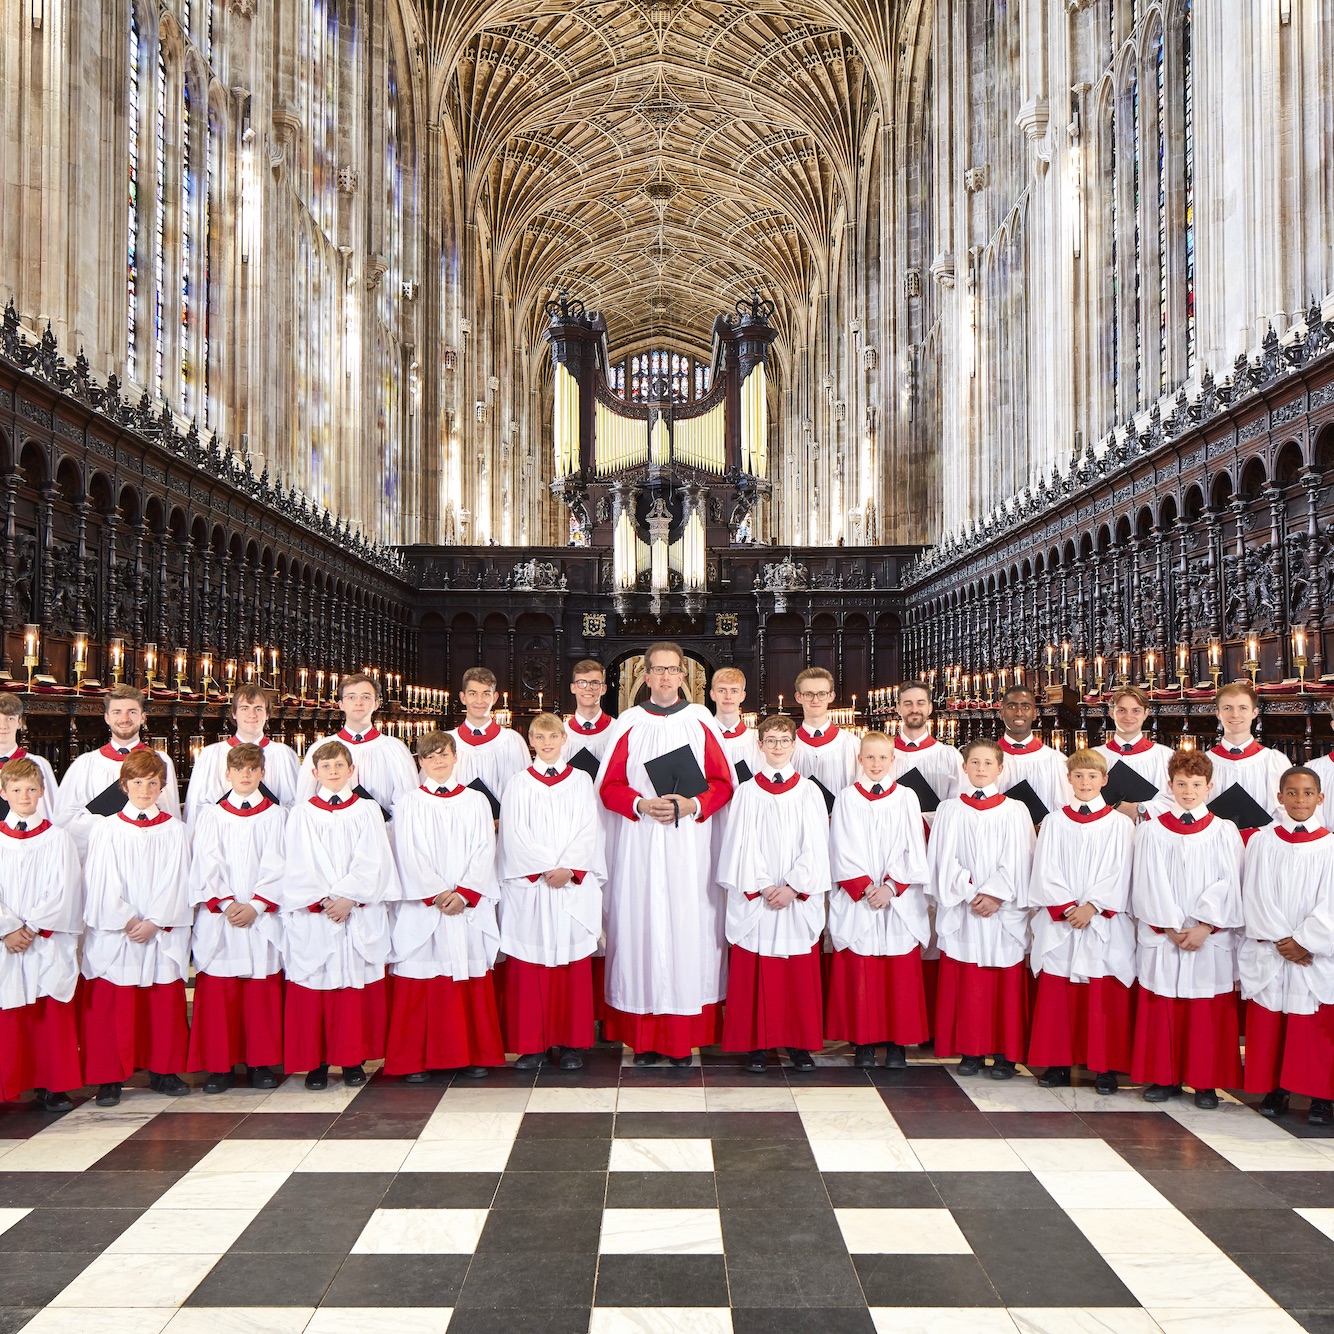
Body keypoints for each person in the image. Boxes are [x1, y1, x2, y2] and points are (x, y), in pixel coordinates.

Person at [598, 641, 734, 1065]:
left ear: (683, 676)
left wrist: (693, 804)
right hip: (640, 844)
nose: (664, 677)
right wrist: (640, 804)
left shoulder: (700, 722)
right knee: (642, 928)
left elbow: (723, 783)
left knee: (688, 927)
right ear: (644, 676)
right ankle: (645, 1038)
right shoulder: (630, 723)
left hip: (689, 846)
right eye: (656, 670)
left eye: (672, 670)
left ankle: (683, 1037)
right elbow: (609, 787)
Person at [282, 739, 401, 1089]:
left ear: (352, 770)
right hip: (317, 914)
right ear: (315, 773)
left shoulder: (366, 809)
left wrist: (348, 897)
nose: (333, 772)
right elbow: (299, 861)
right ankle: (317, 1063)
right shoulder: (302, 813)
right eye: (326, 767)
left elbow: (375, 858)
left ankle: (352, 1060)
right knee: (317, 986)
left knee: (352, 987)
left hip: (355, 912)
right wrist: (323, 900)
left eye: (339, 766)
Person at [386, 731, 503, 1082]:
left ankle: (472, 1054)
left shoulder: (475, 801)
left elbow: (486, 848)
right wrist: (437, 894)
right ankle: (415, 1060)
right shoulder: (408, 803)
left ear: (456, 757)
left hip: (466, 904)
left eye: (443, 754)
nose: (438, 761)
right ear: (420, 763)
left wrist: (465, 893)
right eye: (429, 756)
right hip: (428, 906)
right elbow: (407, 852)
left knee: (467, 971)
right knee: (422, 975)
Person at [1130, 749, 1244, 1108]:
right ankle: (1164, 1078)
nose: (1189, 791)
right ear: (1170, 786)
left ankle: (1205, 1082)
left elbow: (1231, 882)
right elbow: (1148, 881)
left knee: (1204, 1010)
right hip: (1166, 934)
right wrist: (1168, 925)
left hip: (1207, 937)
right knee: (1164, 1004)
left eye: (1196, 784)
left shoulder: (1224, 831)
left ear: (1209, 786)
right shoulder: (1151, 831)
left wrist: (1205, 926)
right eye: (1182, 784)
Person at [718, 713, 830, 1072]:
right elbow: (740, 845)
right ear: (760, 745)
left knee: (797, 973)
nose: (778, 746)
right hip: (760, 896)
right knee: (756, 968)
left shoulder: (809, 791)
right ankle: (756, 1045)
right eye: (771, 740)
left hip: (796, 898)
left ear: (794, 745)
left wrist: (794, 886)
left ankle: (799, 1044)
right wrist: (766, 885)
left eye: (784, 740)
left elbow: (816, 844)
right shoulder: (747, 792)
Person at [80, 749, 192, 1107]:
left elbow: (178, 879)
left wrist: (156, 921)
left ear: (162, 787)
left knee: (161, 1003)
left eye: (153, 782)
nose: (145, 789)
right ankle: (109, 1077)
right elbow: (100, 880)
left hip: (158, 931)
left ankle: (164, 1069)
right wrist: (128, 919)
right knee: (113, 1003)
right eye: (138, 782)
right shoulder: (107, 828)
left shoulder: (175, 830)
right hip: (120, 932)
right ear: (124, 785)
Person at [1022, 749, 1136, 1094]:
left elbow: (1123, 871)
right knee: (1059, 993)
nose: (1085, 782)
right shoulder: (1055, 821)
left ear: (1104, 780)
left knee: (1103, 993)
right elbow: (1045, 867)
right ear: (1068, 779)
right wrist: (1068, 906)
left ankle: (1105, 1067)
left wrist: (1093, 907)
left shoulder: (1120, 824)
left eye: (1092, 776)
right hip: (1063, 919)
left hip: (1102, 920)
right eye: (1078, 776)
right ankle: (1057, 1063)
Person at [497, 713, 605, 1070]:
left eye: (552, 736)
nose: (546, 743)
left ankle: (572, 1043)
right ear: (531, 741)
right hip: (533, 887)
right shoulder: (518, 783)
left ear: (564, 740)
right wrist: (545, 869)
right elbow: (513, 834)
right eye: (539, 737)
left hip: (569, 886)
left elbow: (590, 829)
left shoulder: (580, 780)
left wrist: (569, 869)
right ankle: (533, 1044)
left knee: (571, 967)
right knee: (531, 966)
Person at [928, 738, 1036, 1078]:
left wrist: (995, 895)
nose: (980, 769)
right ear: (964, 767)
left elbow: (1021, 860)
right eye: (974, 763)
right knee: (967, 982)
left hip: (1001, 913)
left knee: (1002, 982)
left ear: (1000, 769)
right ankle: (970, 1051)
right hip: (964, 909)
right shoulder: (949, 810)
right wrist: (970, 891)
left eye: (988, 764)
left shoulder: (1015, 810)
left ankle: (1005, 1054)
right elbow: (942, 860)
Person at [185, 742, 288, 1093]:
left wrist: (258, 904)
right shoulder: (212, 816)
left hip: (261, 917)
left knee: (261, 996)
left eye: (252, 769)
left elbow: (280, 863)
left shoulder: (276, 815)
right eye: (238, 770)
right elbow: (205, 863)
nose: (245, 775)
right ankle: (219, 1067)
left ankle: (261, 1064)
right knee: (220, 995)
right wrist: (227, 903)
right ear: (226, 774)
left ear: (262, 773)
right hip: (222, 918)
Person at [824, 730, 931, 1069]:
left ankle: (898, 1045)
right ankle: (864, 1043)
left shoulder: (906, 797)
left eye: (882, 757)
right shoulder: (846, 798)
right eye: (869, 757)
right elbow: (839, 847)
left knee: (898, 974)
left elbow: (914, 846)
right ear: (859, 760)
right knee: (862, 972)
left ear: (892, 760)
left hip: (896, 899)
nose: (875, 763)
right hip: (861, 898)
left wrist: (891, 887)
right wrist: (865, 887)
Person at [1240, 765, 1334, 1125]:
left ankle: (1321, 1098)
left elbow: (1331, 902)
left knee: (1312, 1026)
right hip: (1275, 948)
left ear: (1320, 798)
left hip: (1313, 954)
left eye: (1307, 793)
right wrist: (1284, 940)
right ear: (1280, 798)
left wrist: (1305, 941)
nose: (1300, 800)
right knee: (1274, 1021)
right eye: (1292, 793)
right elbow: (1256, 892)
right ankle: (1275, 1088)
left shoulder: (1329, 844)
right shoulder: (1264, 841)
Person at [0, 757, 83, 1112]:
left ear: (42, 792)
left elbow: (65, 889)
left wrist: (31, 927)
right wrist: (7, 929)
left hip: (43, 938)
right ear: (3, 792)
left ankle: (53, 1085)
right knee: (10, 1012)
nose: (24, 796)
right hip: (6, 942)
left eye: (31, 789)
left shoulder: (57, 838)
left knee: (47, 1010)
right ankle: (7, 1085)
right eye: (16, 789)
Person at [54, 685, 181, 859]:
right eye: (117, 712)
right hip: (102, 856)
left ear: (143, 717)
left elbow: (170, 814)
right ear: (106, 717)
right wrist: (115, 826)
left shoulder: (161, 761)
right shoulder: (85, 764)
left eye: (132, 712)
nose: (124, 718)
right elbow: (64, 820)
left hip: (147, 854)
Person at [297, 674, 417, 819]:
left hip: (384, 835)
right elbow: (306, 800)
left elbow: (407, 803)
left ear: (376, 704)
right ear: (341, 704)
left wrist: (385, 831)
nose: (358, 702)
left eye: (366, 697)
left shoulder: (394, 749)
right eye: (351, 697)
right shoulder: (320, 748)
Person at [184, 683, 301, 818]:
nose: (252, 715)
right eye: (245, 708)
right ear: (234, 713)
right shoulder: (211, 755)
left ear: (267, 714)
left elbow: (296, 807)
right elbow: (196, 809)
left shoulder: (284, 755)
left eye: (258, 709)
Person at [1207, 681, 1290, 836]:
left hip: (1263, 846)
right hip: (1216, 847)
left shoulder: (1274, 761)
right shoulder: (1205, 762)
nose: (1235, 715)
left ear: (1254, 712)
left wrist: (1254, 835)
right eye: (1227, 708)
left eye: (1243, 708)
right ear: (1217, 713)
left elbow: (1286, 812)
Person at [449, 667, 531, 808]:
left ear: (495, 698)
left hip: (502, 826)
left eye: (486, 694)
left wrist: (505, 819)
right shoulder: (448, 742)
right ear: (463, 698)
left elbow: (526, 790)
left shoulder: (512, 741)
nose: (479, 701)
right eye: (473, 694)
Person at [889, 680, 963, 823]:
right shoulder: (883, 755)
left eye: (920, 703)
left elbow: (959, 806)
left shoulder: (949, 755)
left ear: (929, 708)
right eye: (908, 703)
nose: (914, 709)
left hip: (935, 837)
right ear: (898, 708)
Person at [1095, 686, 1174, 818]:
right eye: (1122, 710)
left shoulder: (1166, 756)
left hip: (1149, 834)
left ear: (1146, 713)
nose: (1128, 716)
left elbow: (1177, 800)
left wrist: (1139, 808)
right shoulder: (1095, 757)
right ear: (1111, 713)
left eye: (1136, 711)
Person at [994, 685, 1071, 819]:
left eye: (1026, 707)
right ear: (1002, 713)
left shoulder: (1055, 760)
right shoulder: (986, 759)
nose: (1019, 713)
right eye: (1012, 707)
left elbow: (1065, 809)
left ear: (1035, 714)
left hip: (1042, 837)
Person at [792, 667, 860, 797]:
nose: (815, 700)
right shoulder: (788, 745)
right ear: (798, 697)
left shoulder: (851, 744)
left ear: (831, 696)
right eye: (808, 694)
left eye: (822, 694)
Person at [0, 693, 59, 824]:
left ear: (19, 722)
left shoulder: (38, 764)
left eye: (10, 719)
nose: (3, 726)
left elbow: (52, 813)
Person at [562, 659, 615, 765]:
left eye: (594, 683)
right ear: (573, 688)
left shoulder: (617, 730)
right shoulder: (560, 732)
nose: (588, 688)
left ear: (603, 689)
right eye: (581, 683)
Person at [710, 667, 759, 778]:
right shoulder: (702, 735)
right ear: (713, 694)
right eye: (722, 690)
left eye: (734, 691)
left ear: (742, 696)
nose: (728, 696)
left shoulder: (755, 739)